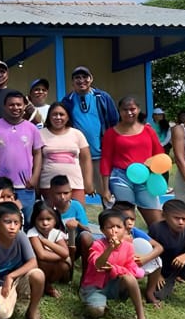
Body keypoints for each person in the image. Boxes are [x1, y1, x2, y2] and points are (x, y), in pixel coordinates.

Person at [81, 209, 152, 319]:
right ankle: (94, 302)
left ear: (125, 230)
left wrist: (114, 269)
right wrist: (110, 249)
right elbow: (98, 264)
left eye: (118, 227)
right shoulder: (98, 245)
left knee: (129, 279)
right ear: (102, 230)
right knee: (96, 312)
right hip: (96, 287)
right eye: (110, 227)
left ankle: (141, 317)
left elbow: (132, 270)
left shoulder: (128, 247)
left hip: (116, 284)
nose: (115, 230)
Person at [99, 95, 167, 226]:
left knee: (156, 220)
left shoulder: (148, 130)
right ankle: (127, 246)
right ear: (119, 111)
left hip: (146, 177)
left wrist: (152, 169)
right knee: (125, 219)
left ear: (138, 109)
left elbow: (159, 154)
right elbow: (106, 161)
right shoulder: (111, 133)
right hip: (121, 178)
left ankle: (159, 245)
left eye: (132, 109)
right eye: (125, 109)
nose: (129, 112)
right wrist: (105, 189)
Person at [60, 66, 120, 206]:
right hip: (78, 158)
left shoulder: (102, 98)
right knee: (75, 197)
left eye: (85, 77)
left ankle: (112, 226)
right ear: (72, 82)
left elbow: (114, 123)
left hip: (102, 155)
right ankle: (80, 226)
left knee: (108, 196)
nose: (81, 81)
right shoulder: (67, 101)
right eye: (77, 78)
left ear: (91, 79)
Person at [0, 201, 47, 319]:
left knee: (38, 274)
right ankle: (12, 302)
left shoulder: (20, 236)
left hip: (19, 280)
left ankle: (32, 312)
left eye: (16, 223)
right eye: (7, 222)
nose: (12, 227)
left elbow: (33, 262)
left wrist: (11, 276)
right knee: (2, 314)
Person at [0, 91, 43, 218]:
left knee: (25, 222)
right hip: (1, 187)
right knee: (2, 221)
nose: (15, 108)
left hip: (25, 187)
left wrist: (35, 177)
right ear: (4, 106)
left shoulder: (32, 129)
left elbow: (38, 153)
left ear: (24, 106)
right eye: (11, 105)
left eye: (18, 105)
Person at [36, 103, 93, 207]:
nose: (58, 117)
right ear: (49, 116)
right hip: (48, 185)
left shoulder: (77, 134)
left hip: (75, 184)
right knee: (52, 218)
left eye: (61, 114)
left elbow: (86, 159)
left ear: (68, 117)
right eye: (54, 114)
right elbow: (36, 161)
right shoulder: (40, 134)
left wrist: (88, 183)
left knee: (77, 217)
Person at [47, 175, 96, 261]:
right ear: (51, 193)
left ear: (71, 192)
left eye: (66, 193)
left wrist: (78, 224)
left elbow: (87, 230)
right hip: (56, 245)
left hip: (75, 243)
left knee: (86, 237)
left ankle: (86, 272)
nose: (62, 197)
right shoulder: (47, 209)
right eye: (58, 193)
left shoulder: (76, 205)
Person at [27, 202, 71, 297]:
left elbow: (66, 253)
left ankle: (47, 284)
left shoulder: (56, 233)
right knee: (43, 262)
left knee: (64, 266)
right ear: (34, 220)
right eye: (41, 219)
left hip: (51, 263)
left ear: (55, 221)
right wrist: (61, 256)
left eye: (48, 219)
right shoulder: (32, 233)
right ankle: (42, 285)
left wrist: (47, 242)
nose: (45, 223)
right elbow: (41, 255)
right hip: (38, 266)